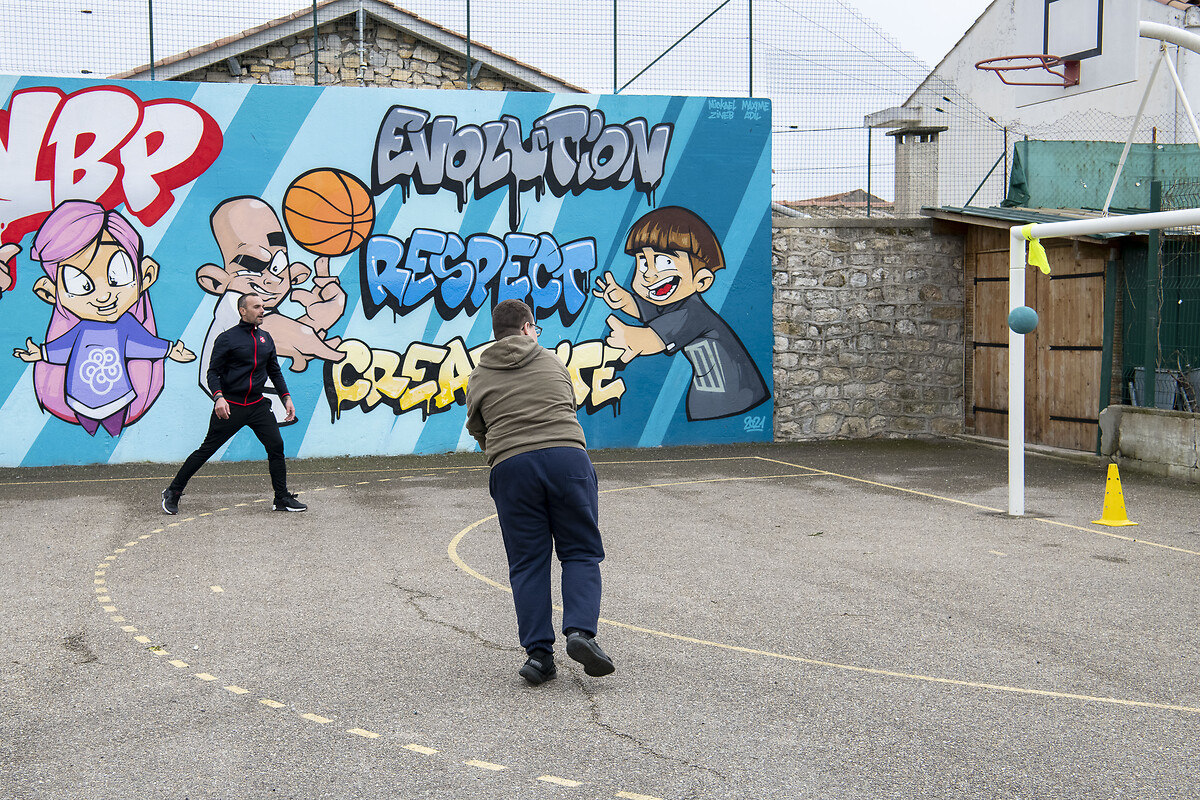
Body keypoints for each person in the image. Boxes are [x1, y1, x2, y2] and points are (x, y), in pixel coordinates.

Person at [465, 299, 615, 685]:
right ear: (529, 327)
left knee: (527, 563)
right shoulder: (552, 363)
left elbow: (477, 428)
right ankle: (580, 632)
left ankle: (538, 656)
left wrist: (506, 450)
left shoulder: (480, 375)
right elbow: (569, 406)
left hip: (512, 467)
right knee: (580, 551)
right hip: (567, 458)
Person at [593, 205, 769, 421]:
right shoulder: (680, 306)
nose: (649, 273)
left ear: (702, 280)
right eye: (642, 262)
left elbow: (651, 339)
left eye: (664, 261)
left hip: (731, 398)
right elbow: (656, 312)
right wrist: (627, 301)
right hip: (717, 395)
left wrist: (630, 338)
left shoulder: (694, 313)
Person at [161, 293, 306, 515]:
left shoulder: (266, 338)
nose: (262, 311)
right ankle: (173, 491)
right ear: (243, 311)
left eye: (263, 306)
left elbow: (274, 371)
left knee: (276, 447)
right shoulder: (227, 338)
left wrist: (286, 397)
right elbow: (213, 373)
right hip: (231, 406)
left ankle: (281, 498)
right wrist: (218, 397)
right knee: (206, 450)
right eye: (256, 307)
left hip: (258, 406)